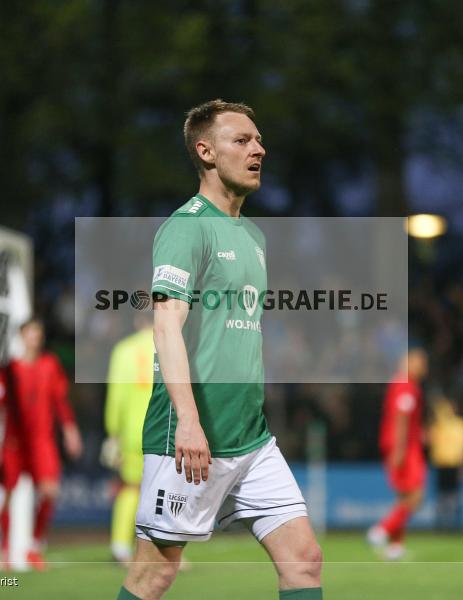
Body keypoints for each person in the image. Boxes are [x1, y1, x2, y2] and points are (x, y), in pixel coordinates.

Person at [117, 100, 322, 600]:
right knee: (154, 575)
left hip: (250, 439)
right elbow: (165, 326)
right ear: (206, 152)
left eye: (258, 140)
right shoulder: (187, 226)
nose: (259, 149)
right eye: (243, 140)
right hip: (191, 438)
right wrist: (188, 420)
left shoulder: (252, 236)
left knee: (305, 561)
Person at [0, 317, 83, 570]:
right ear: (21, 336)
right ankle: (5, 550)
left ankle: (34, 547)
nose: (35, 338)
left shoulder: (50, 365)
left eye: (38, 333)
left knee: (50, 492)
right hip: (13, 444)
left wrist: (70, 430)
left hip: (42, 441)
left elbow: (60, 401)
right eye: (30, 333)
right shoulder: (6, 370)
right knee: (6, 496)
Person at [102, 314, 155, 564]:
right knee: (164, 491)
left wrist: (113, 431)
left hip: (132, 432)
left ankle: (121, 547)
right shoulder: (171, 345)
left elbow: (117, 395)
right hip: (163, 430)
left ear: (137, 321)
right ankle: (164, 550)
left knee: (130, 488)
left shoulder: (123, 350)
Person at [368, 348, 428, 560]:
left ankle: (395, 547)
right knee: (416, 496)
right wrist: (400, 450)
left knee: (403, 497)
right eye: (420, 363)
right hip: (405, 448)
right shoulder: (406, 387)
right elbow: (401, 419)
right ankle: (381, 530)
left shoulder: (400, 384)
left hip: (402, 444)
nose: (423, 368)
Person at [428, 395, 463, 530]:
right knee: (441, 495)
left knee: (455, 495)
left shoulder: (462, 425)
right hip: (441, 464)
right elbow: (428, 440)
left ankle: (455, 524)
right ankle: (441, 524)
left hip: (456, 465)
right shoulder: (438, 424)